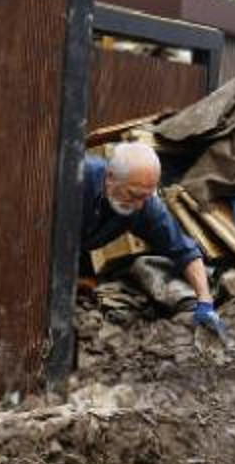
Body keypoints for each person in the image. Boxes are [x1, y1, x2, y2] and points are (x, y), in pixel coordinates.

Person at [81, 142, 224, 335]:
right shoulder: (78, 177)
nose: (139, 205)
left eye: (146, 197)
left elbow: (183, 250)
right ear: (110, 177)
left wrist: (205, 302)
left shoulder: (143, 204)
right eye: (133, 195)